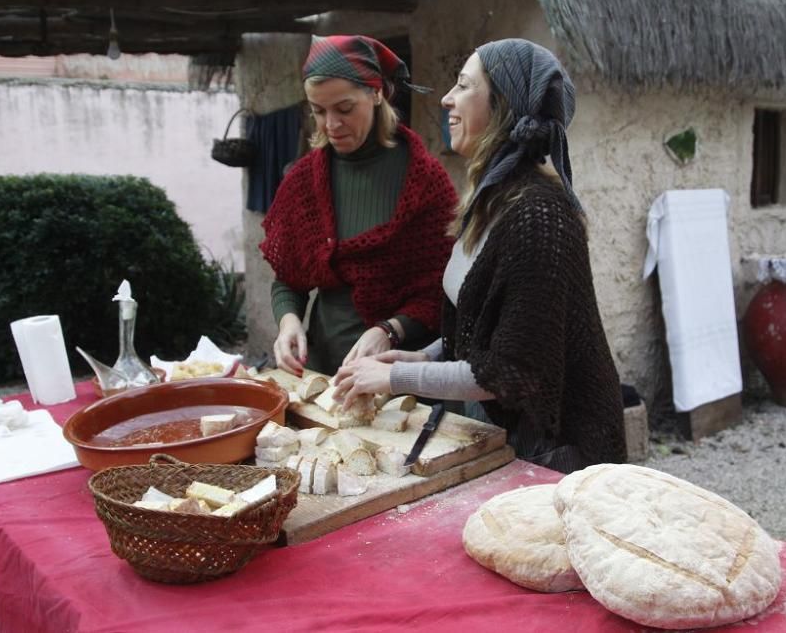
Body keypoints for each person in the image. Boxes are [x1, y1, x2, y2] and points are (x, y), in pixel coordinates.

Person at [334, 39, 627, 471]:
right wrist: (425, 356)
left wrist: (395, 378)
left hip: (554, 448)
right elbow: (484, 330)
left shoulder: (540, 217)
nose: (447, 99)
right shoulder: (493, 201)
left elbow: (511, 371)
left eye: (464, 86)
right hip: (502, 431)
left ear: (501, 105)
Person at [260, 35, 457, 377]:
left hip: (402, 381)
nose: (331, 125)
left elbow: (443, 291)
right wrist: (288, 321)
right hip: (324, 374)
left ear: (377, 92)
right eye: (318, 111)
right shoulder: (303, 183)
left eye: (345, 109)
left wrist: (390, 330)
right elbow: (288, 280)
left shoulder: (425, 182)